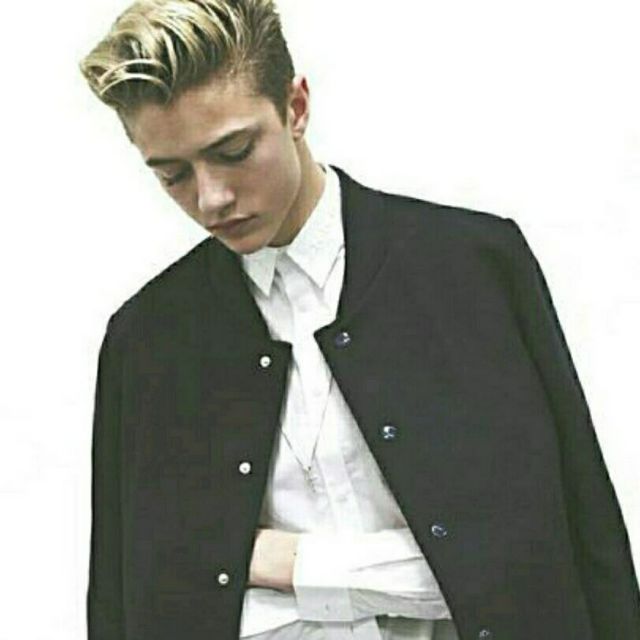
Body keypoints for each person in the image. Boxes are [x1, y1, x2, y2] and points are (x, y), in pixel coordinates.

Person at [79, 1, 640, 639]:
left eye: (234, 152)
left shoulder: (473, 270)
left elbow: (551, 547)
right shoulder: (146, 341)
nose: (211, 199)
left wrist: (283, 565)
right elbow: (139, 597)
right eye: (173, 175)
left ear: (295, 107)